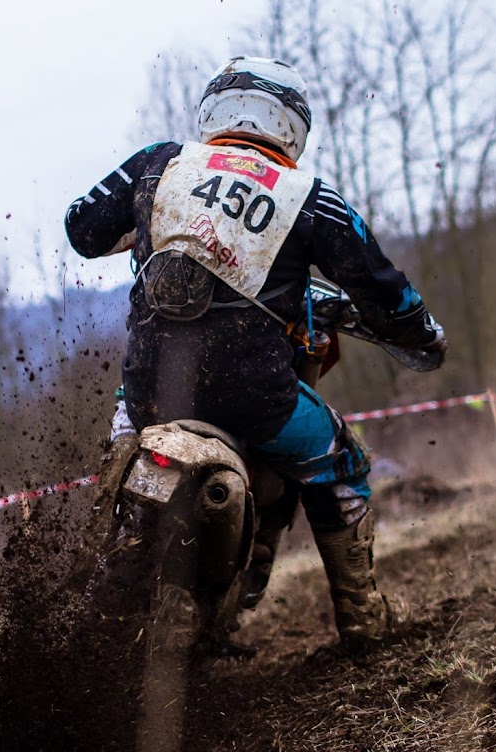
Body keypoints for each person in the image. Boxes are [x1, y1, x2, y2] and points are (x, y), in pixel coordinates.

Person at [65, 56, 446, 650]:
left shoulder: (158, 162)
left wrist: (145, 227)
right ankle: (362, 619)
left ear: (214, 108)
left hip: (148, 394)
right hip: (255, 399)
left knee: (117, 449)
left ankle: (89, 593)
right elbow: (385, 292)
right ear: (293, 126)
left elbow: (82, 227)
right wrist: (422, 336)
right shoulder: (313, 200)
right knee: (342, 461)